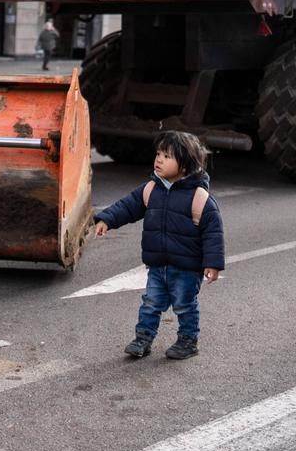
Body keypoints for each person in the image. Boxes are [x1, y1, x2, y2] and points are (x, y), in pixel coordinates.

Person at [94, 131, 225, 360]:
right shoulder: (151, 189)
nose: (159, 159)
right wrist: (107, 219)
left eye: (167, 155)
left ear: (185, 165)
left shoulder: (199, 197)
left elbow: (213, 232)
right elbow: (128, 206)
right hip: (158, 266)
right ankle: (143, 339)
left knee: (185, 306)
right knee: (151, 304)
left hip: (186, 268)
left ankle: (187, 341)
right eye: (158, 154)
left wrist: (212, 264)